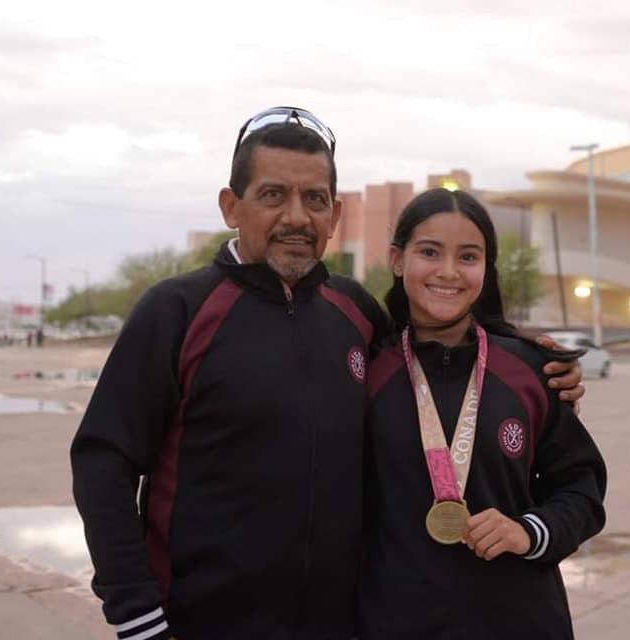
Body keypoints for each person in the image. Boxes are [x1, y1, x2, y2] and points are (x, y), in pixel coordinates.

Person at [71, 107, 585, 640]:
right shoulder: (177, 311)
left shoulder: (356, 312)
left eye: (315, 199)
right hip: (200, 622)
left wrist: (539, 370)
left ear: (334, 215)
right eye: (273, 195)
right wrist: (138, 616)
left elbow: (438, 354)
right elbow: (103, 463)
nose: (297, 217)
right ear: (230, 206)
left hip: (339, 624)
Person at [359, 188, 606, 639]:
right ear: (397, 260)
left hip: (519, 620)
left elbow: (581, 490)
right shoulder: (368, 373)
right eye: (429, 252)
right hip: (396, 620)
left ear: (486, 270)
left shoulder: (533, 370)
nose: (448, 271)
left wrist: (528, 531)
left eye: (468, 257)